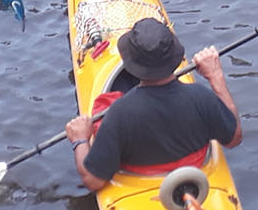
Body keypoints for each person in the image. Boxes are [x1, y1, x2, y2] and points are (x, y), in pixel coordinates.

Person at [65, 18, 243, 192]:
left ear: (130, 62)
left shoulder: (118, 114)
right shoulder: (202, 98)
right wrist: (216, 76)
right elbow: (234, 138)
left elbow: (93, 180)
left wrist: (80, 140)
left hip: (139, 187)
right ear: (175, 56)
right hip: (196, 178)